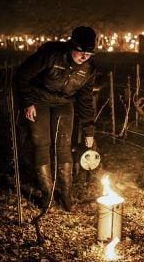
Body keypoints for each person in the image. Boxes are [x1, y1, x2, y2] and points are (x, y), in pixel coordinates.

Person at [16, 26, 98, 212]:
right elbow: (23, 74)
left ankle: (66, 195)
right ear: (71, 47)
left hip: (64, 103)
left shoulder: (88, 69)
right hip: (39, 100)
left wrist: (89, 131)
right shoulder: (51, 54)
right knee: (41, 143)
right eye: (80, 52)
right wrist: (27, 102)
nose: (84, 57)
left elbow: (85, 99)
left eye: (89, 53)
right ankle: (47, 194)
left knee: (63, 145)